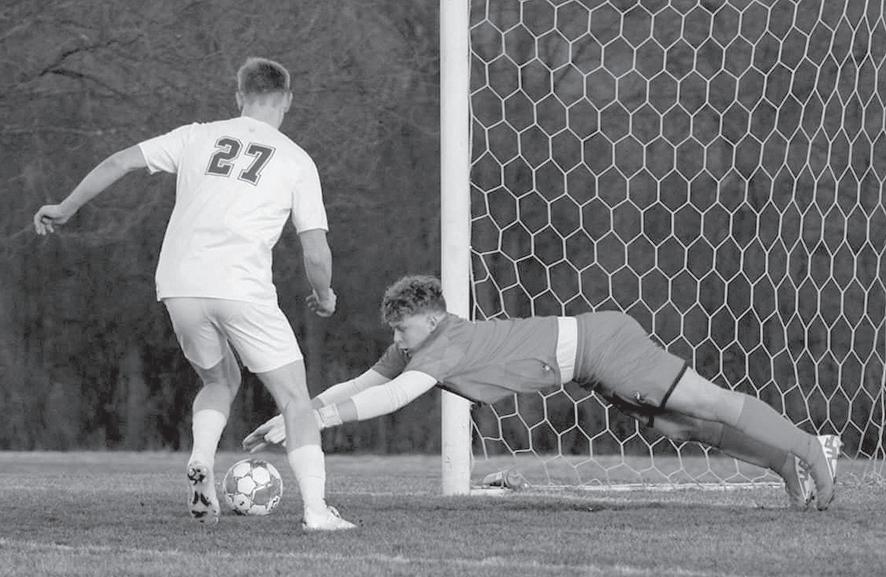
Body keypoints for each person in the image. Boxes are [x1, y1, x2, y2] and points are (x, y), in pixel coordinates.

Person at [33, 57, 354, 530]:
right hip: (241, 286)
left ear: (239, 96)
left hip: (179, 284)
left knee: (219, 381)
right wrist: (323, 294)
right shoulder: (296, 159)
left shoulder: (197, 136)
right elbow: (316, 250)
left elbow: (119, 161)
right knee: (294, 400)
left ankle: (202, 457)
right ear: (286, 99)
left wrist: (65, 207)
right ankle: (316, 511)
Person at [243, 275, 841, 510]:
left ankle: (808, 447)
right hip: (586, 363)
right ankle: (783, 464)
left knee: (707, 403)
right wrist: (298, 411)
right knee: (679, 426)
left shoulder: (445, 342)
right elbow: (364, 384)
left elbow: (394, 399)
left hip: (603, 346)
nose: (396, 340)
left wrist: (319, 422)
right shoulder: (416, 346)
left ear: (430, 319)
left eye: (402, 328)